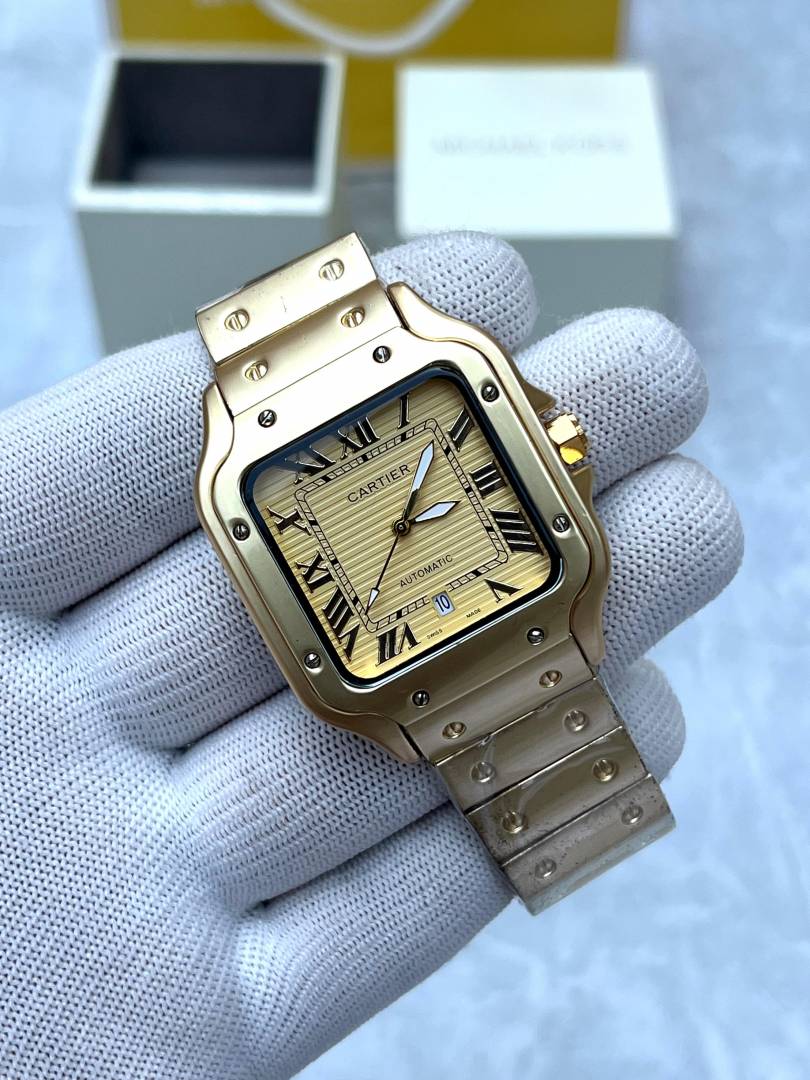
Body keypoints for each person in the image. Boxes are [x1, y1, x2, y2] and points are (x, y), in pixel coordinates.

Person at [0, 233, 742, 1079]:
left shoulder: (430, 361)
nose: (402, 527)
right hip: (428, 687)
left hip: (533, 631)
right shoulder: (247, 471)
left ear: (556, 445)